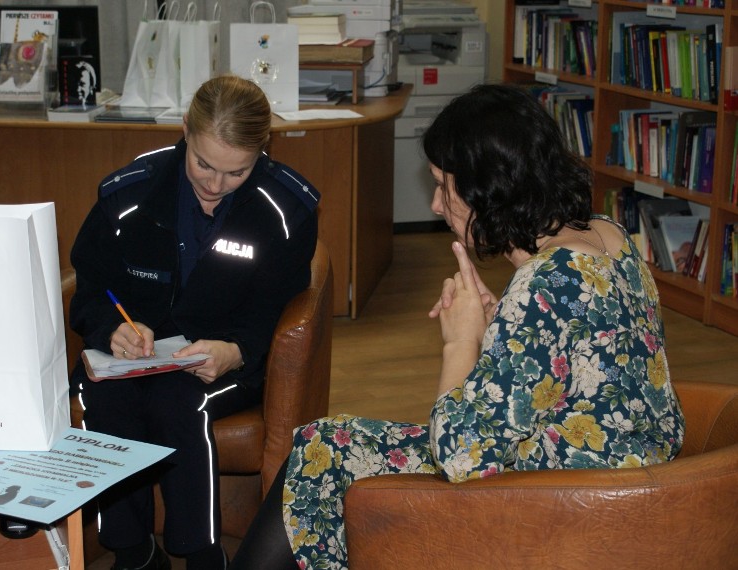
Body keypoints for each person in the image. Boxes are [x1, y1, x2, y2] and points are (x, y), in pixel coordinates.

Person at [229, 83, 685, 569]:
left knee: (325, 448)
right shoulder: (608, 234)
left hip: (559, 499)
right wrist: (502, 325)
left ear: (489, 190)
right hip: (627, 480)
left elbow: (458, 457)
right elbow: (572, 369)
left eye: (443, 186)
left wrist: (461, 341)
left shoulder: (547, 282)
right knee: (329, 443)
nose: (435, 205)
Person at [69, 75, 319, 570]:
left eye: (235, 173)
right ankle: (134, 552)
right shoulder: (129, 197)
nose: (213, 184)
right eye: (203, 163)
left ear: (261, 151)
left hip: (228, 363)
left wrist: (238, 351)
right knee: (102, 393)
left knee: (178, 398)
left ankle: (203, 556)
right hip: (135, 358)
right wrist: (111, 329)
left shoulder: (285, 209)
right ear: (185, 130)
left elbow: (278, 308)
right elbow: (92, 292)